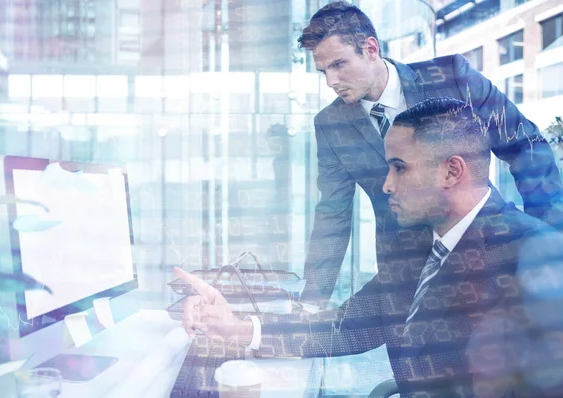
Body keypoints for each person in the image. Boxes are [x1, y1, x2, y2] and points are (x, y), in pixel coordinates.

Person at [175, 98, 563, 397]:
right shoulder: (418, 241)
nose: (386, 185)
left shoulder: (536, 256)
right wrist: (236, 328)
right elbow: (349, 327)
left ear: (452, 171)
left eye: (399, 167)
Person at [294, 1, 563, 308]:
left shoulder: (452, 78)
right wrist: (312, 302)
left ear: (370, 48)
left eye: (338, 65)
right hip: (403, 274)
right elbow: (332, 213)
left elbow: (525, 147)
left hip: (485, 254)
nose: (331, 82)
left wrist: (548, 242)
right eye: (323, 70)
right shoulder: (330, 124)